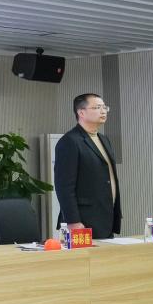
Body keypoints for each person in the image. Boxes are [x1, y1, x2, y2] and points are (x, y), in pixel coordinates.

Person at [54, 93, 121, 239]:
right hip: (82, 221)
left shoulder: (104, 139)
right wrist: (73, 221)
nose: (103, 111)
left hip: (105, 218)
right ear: (81, 112)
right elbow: (63, 186)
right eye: (97, 107)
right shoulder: (70, 141)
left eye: (105, 107)